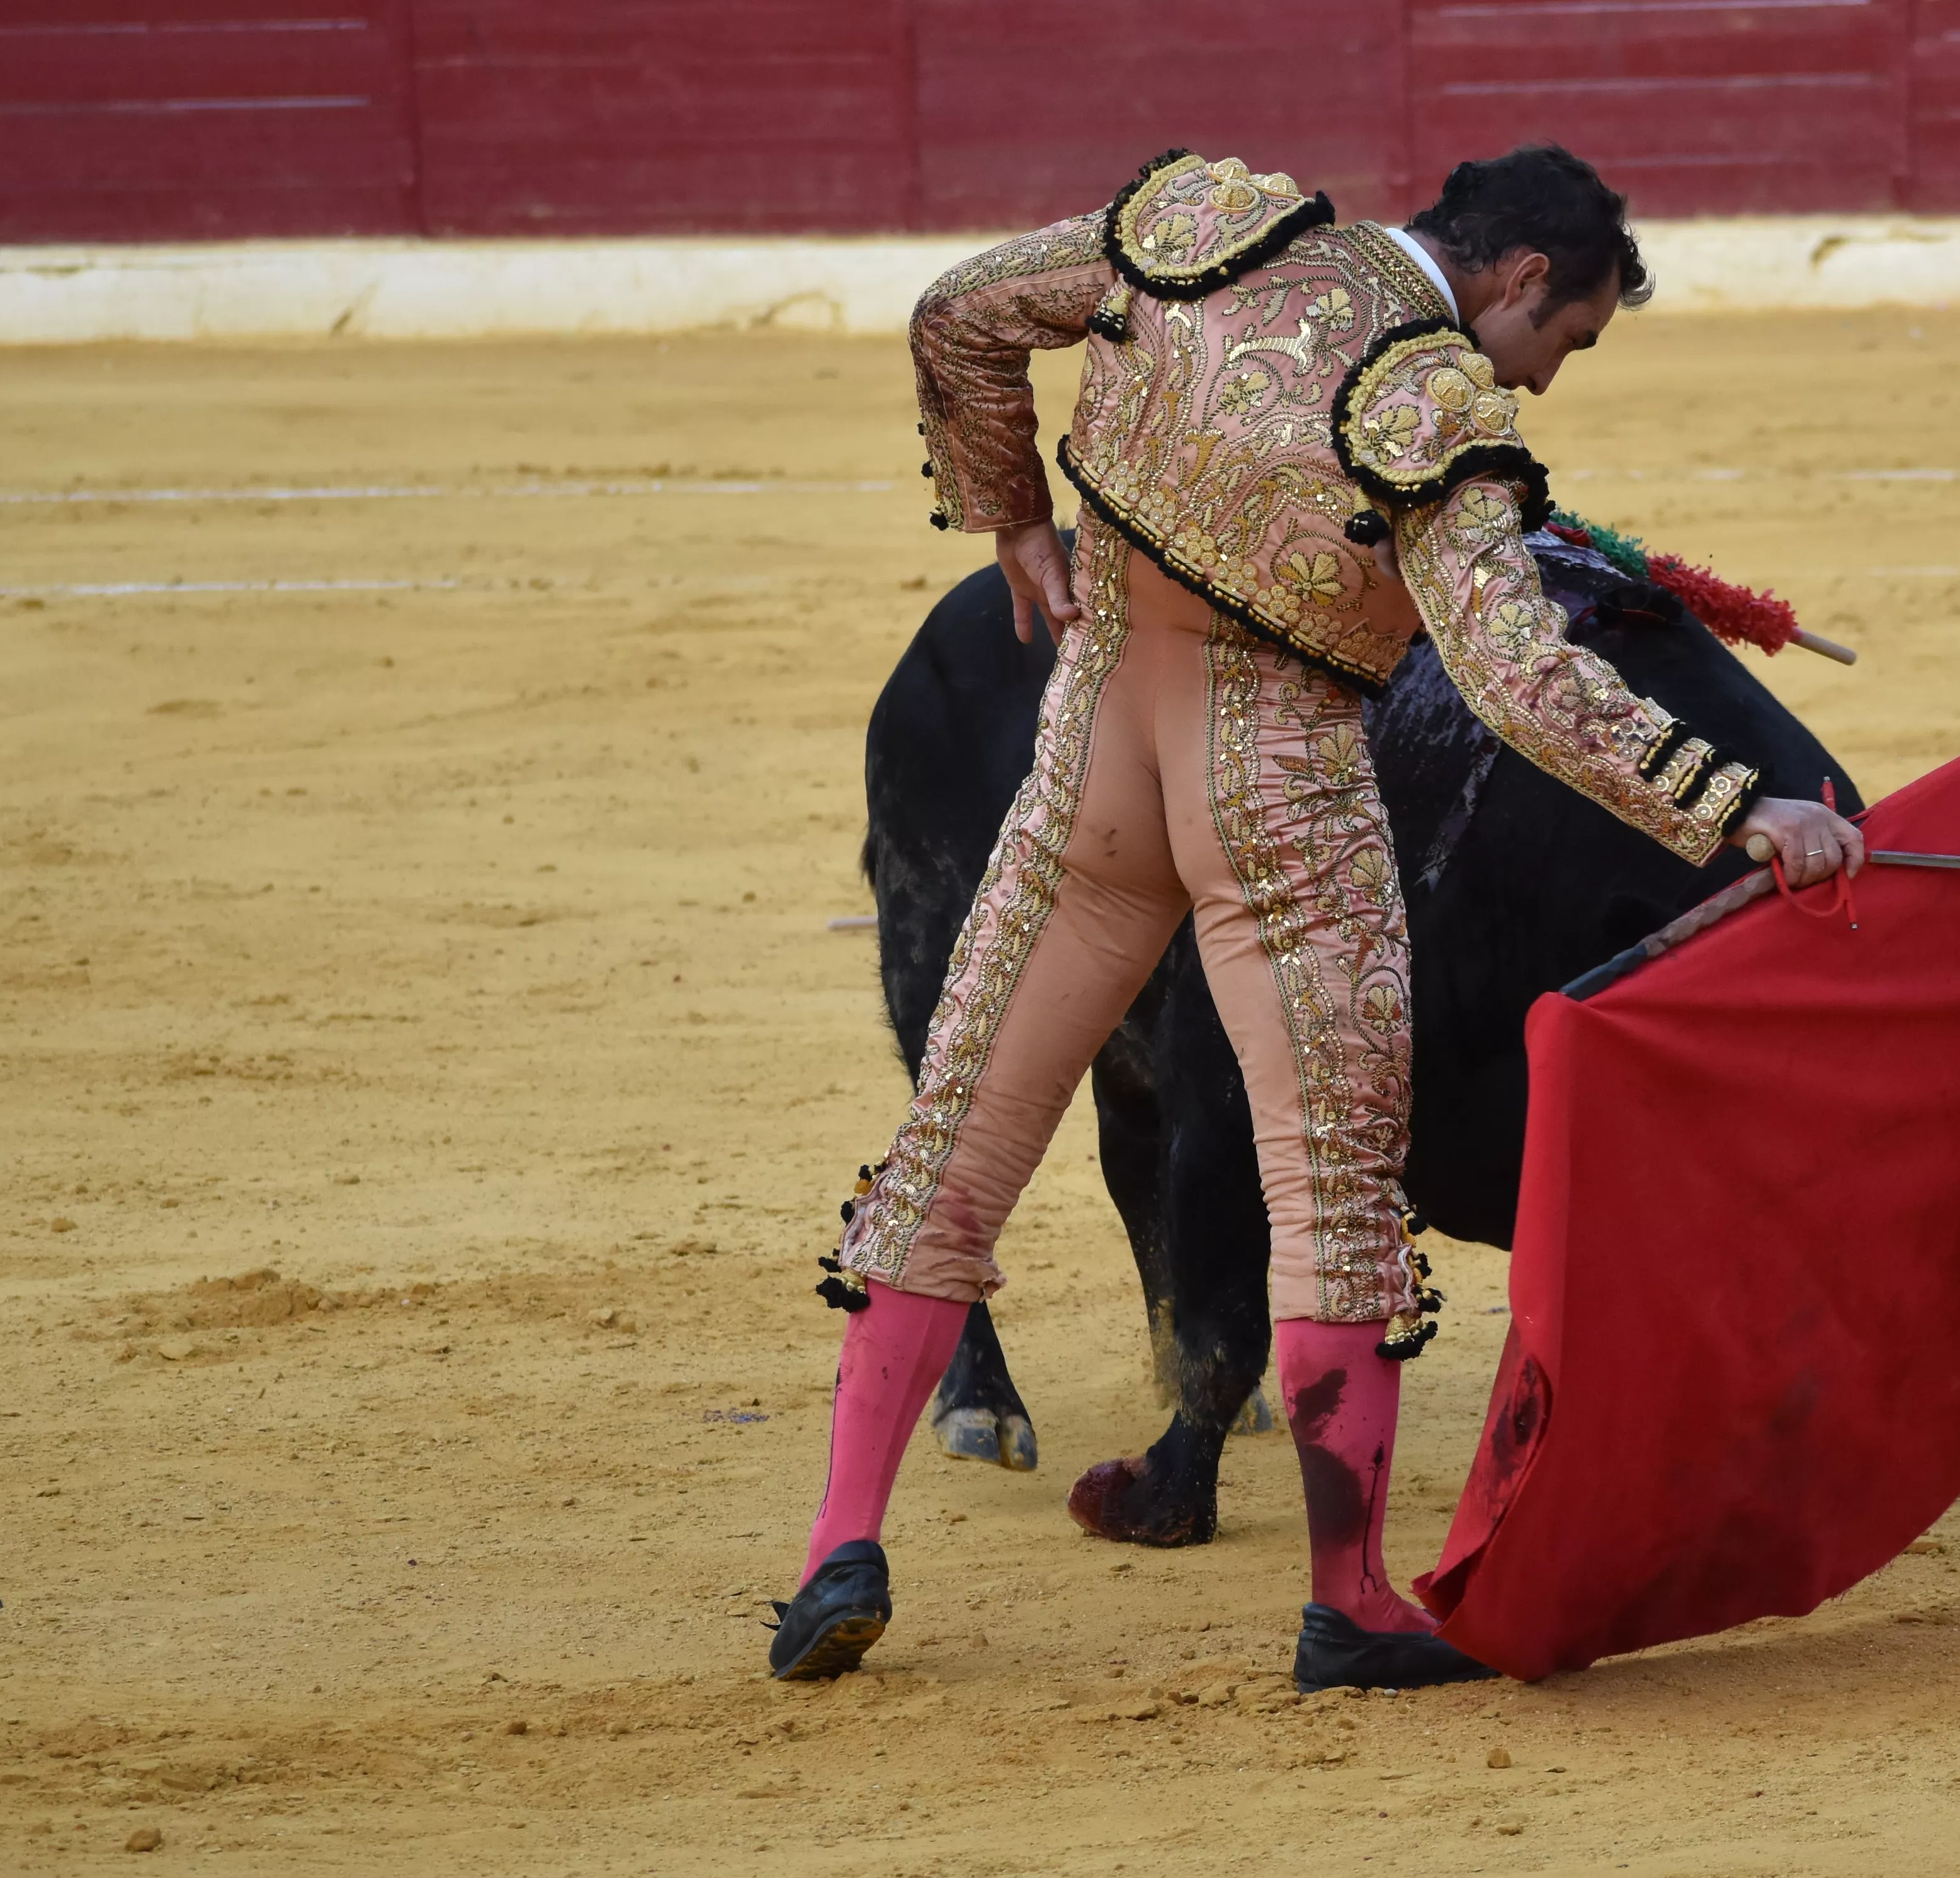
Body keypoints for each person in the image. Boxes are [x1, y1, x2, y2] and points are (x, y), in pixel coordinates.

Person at [769, 145, 1864, 1690]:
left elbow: (959, 310)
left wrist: (1013, 514)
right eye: (1567, 342)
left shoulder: (1204, 233)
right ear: (1520, 279)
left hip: (1087, 765)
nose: (1548, 384)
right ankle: (1348, 1597)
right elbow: (1524, 683)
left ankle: (835, 1549)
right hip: (1274, 800)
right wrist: (1734, 806)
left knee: (956, 1142)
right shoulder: (1436, 414)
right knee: (1337, 1195)